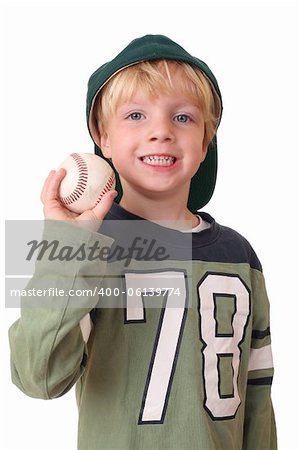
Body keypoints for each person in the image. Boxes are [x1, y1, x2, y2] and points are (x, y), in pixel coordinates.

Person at [9, 35, 277, 449]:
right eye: (135, 115)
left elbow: (257, 399)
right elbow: (39, 377)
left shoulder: (239, 257)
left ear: (206, 141)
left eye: (183, 118)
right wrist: (66, 247)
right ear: (104, 137)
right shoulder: (86, 248)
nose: (161, 133)